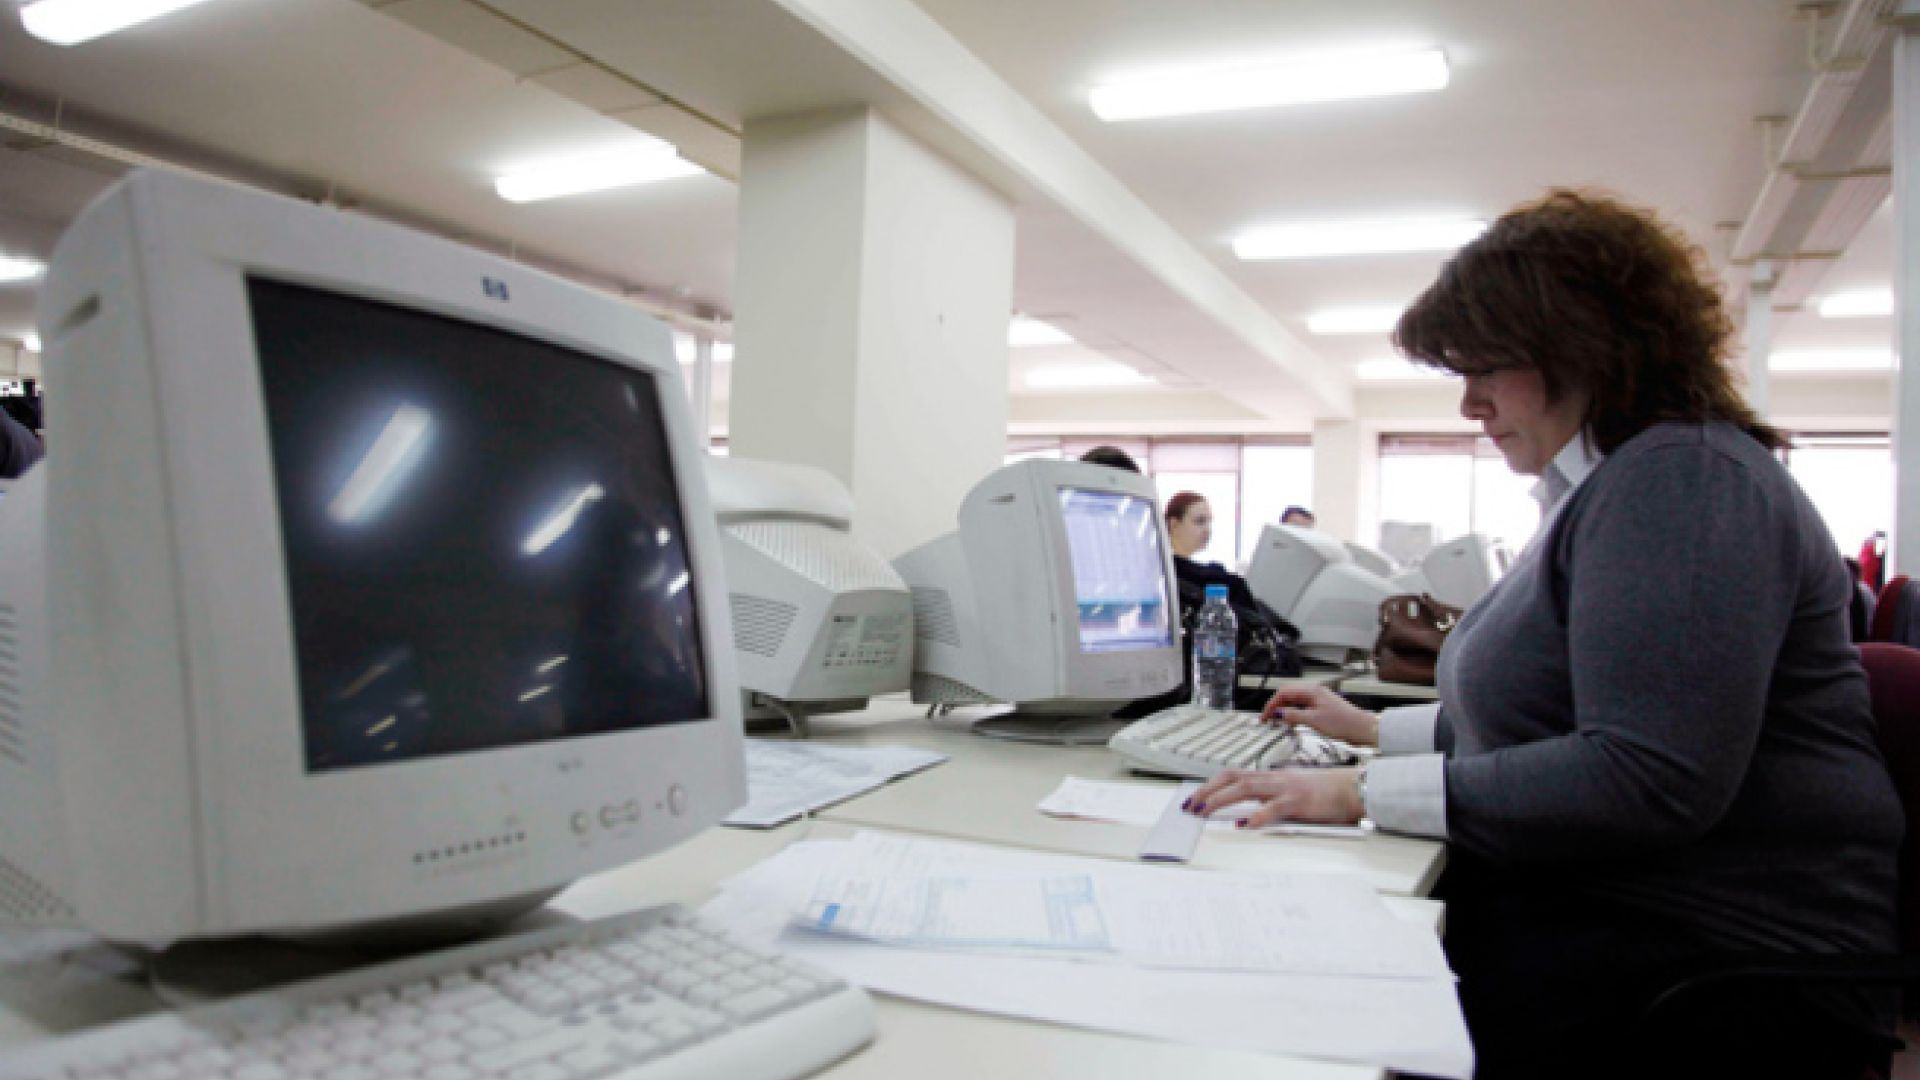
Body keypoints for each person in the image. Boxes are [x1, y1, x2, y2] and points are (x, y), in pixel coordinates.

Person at [1187, 190, 1901, 1078]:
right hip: (1633, 912)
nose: (1470, 404)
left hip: (1714, 965)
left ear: (1579, 347)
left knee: (1298, 1006)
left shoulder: (1684, 481)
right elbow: (1557, 713)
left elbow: (1647, 776)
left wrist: (1361, 792)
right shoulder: (1614, 484)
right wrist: (1375, 732)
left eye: (1486, 368)